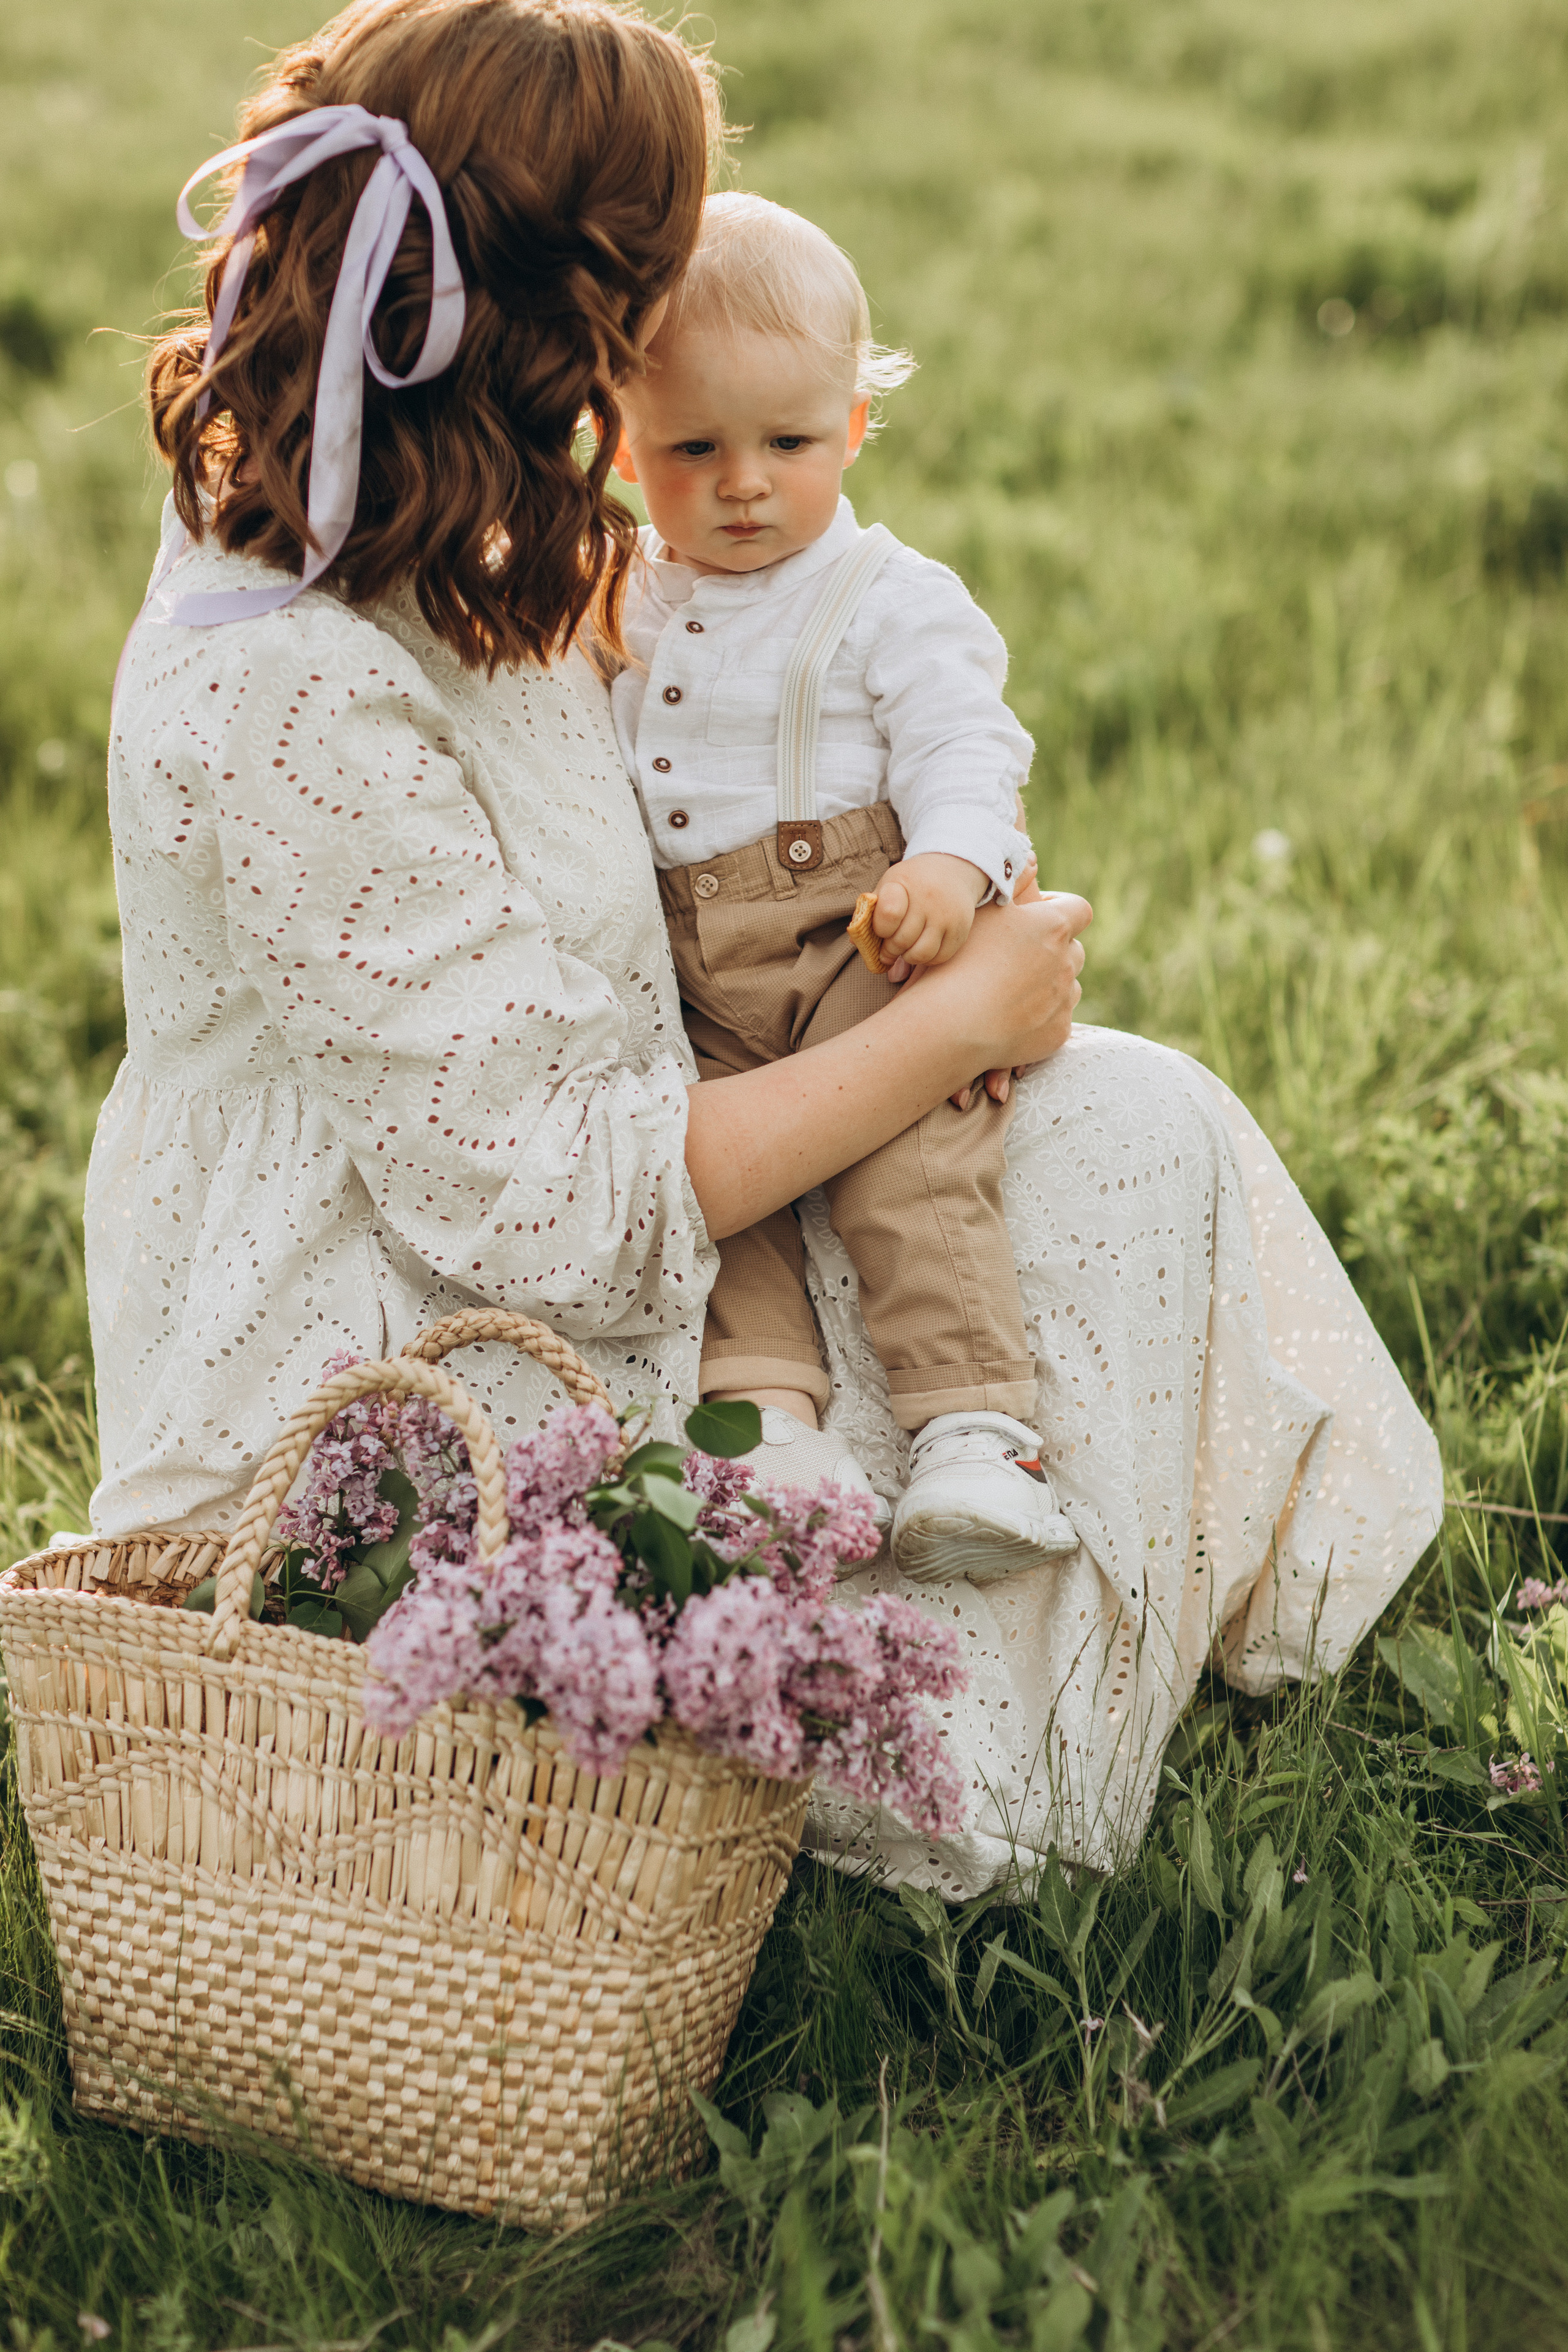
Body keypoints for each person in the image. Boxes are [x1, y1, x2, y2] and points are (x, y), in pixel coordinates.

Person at [86, 0, 1441, 1896]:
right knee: (1072, 1164)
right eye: (642, 292)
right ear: (556, 324)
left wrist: (924, 876)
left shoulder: (461, 500)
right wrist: (951, 1022)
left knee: (1138, 1123)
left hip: (648, 1138)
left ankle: (1114, 1623)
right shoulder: (287, 689)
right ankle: (873, 1788)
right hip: (413, 1350)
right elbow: (553, 1208)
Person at [609, 191, 1077, 1587]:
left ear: (853, 429)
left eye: (788, 443)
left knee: (905, 1157)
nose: (742, 482)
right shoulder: (622, 592)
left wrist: (951, 864)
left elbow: (962, 740)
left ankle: (974, 1427)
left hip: (861, 932)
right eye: (692, 449)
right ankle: (761, 1429)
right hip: (692, 964)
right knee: (721, 1189)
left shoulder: (885, 594)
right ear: (624, 446)